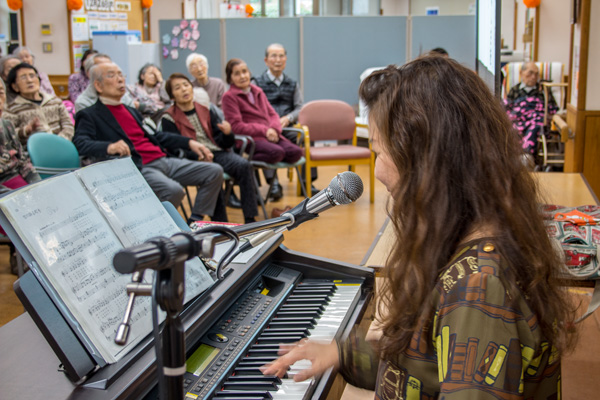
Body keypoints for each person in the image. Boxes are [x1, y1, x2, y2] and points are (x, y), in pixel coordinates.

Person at [262, 56, 575, 398]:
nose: (378, 172)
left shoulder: (478, 287)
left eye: (380, 151)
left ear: (428, 161)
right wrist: (342, 353)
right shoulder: (479, 234)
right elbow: (431, 364)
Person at [73, 62, 226, 223]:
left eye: (121, 75)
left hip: (163, 160)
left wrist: (190, 143)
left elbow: (157, 136)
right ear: (98, 85)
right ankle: (153, 226)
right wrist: (109, 147)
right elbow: (80, 143)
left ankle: (195, 221)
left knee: (214, 171)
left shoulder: (131, 110)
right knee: (173, 190)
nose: (120, 80)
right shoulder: (90, 114)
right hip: (139, 167)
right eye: (112, 75)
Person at [161, 73, 258, 223]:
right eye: (177, 88)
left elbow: (222, 142)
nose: (184, 90)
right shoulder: (168, 117)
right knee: (213, 173)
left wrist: (228, 134)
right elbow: (173, 150)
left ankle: (250, 219)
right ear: (172, 96)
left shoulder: (205, 109)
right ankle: (221, 224)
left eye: (186, 85)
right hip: (193, 158)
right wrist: (197, 156)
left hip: (216, 152)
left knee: (244, 165)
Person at [221, 58, 302, 202]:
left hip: (271, 135)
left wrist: (274, 130)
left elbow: (273, 114)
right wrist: (265, 131)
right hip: (250, 139)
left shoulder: (257, 91)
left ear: (249, 72)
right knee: (277, 152)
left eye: (244, 71)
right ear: (230, 78)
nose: (243, 76)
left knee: (296, 153)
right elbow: (236, 126)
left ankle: (251, 161)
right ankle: (246, 161)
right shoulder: (229, 97)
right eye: (237, 74)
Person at [253, 43, 317, 199]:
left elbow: (299, 108)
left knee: (306, 138)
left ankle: (306, 182)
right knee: (264, 143)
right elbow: (254, 109)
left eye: (281, 56)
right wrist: (270, 124)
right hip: (267, 129)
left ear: (286, 59)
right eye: (273, 56)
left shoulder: (292, 83)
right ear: (266, 60)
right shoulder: (256, 83)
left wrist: (288, 119)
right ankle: (273, 183)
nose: (278, 60)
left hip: (288, 128)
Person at [4, 63, 74, 145]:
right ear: (15, 86)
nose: (29, 80)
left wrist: (59, 142)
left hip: (61, 146)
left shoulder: (55, 101)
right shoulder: (12, 108)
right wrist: (26, 130)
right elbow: (8, 135)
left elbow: (68, 126)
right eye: (23, 77)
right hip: (32, 153)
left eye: (32, 76)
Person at [506, 61, 558, 155]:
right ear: (521, 73)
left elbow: (552, 108)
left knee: (535, 127)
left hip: (536, 119)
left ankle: (527, 154)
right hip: (518, 119)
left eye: (536, 74)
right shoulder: (515, 90)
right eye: (530, 73)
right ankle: (515, 156)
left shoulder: (543, 90)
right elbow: (508, 107)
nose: (533, 77)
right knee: (512, 128)